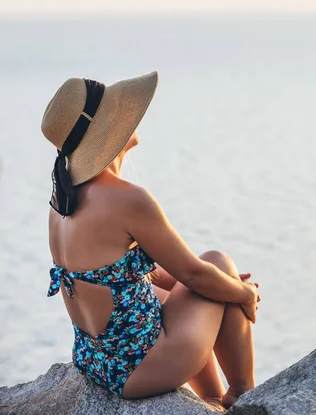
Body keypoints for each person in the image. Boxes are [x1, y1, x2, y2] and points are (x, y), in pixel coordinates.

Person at [41, 71, 260, 409]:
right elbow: (195, 275)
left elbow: (129, 274)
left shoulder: (61, 204)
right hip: (140, 366)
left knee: (207, 281)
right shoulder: (128, 200)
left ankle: (213, 399)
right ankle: (244, 396)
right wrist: (243, 293)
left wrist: (222, 286)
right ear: (108, 126)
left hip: (98, 361)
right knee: (216, 262)